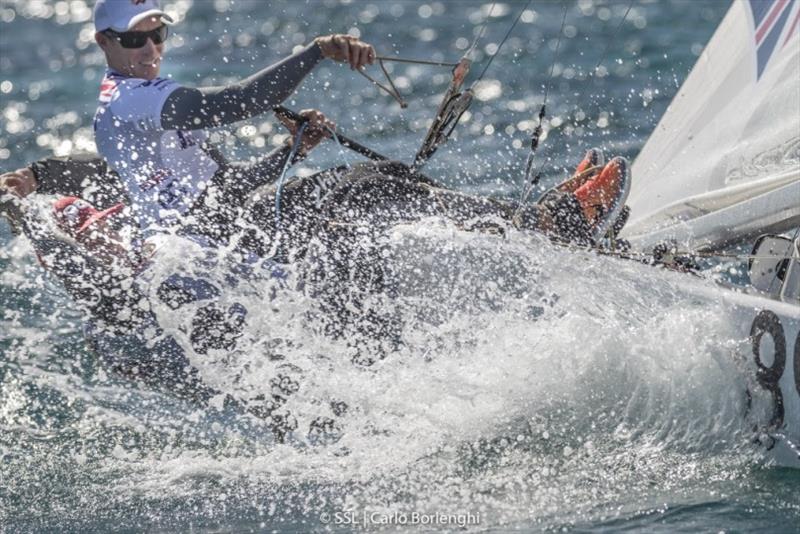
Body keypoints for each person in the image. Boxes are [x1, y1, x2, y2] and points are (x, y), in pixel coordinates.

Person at [89, 0, 376, 244]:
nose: (151, 51)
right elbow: (241, 99)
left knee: (369, 183)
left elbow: (229, 187)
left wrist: (293, 149)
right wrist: (318, 51)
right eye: (134, 40)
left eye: (158, 34)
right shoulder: (126, 99)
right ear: (103, 41)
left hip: (224, 227)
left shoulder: (154, 101)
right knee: (357, 198)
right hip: (192, 250)